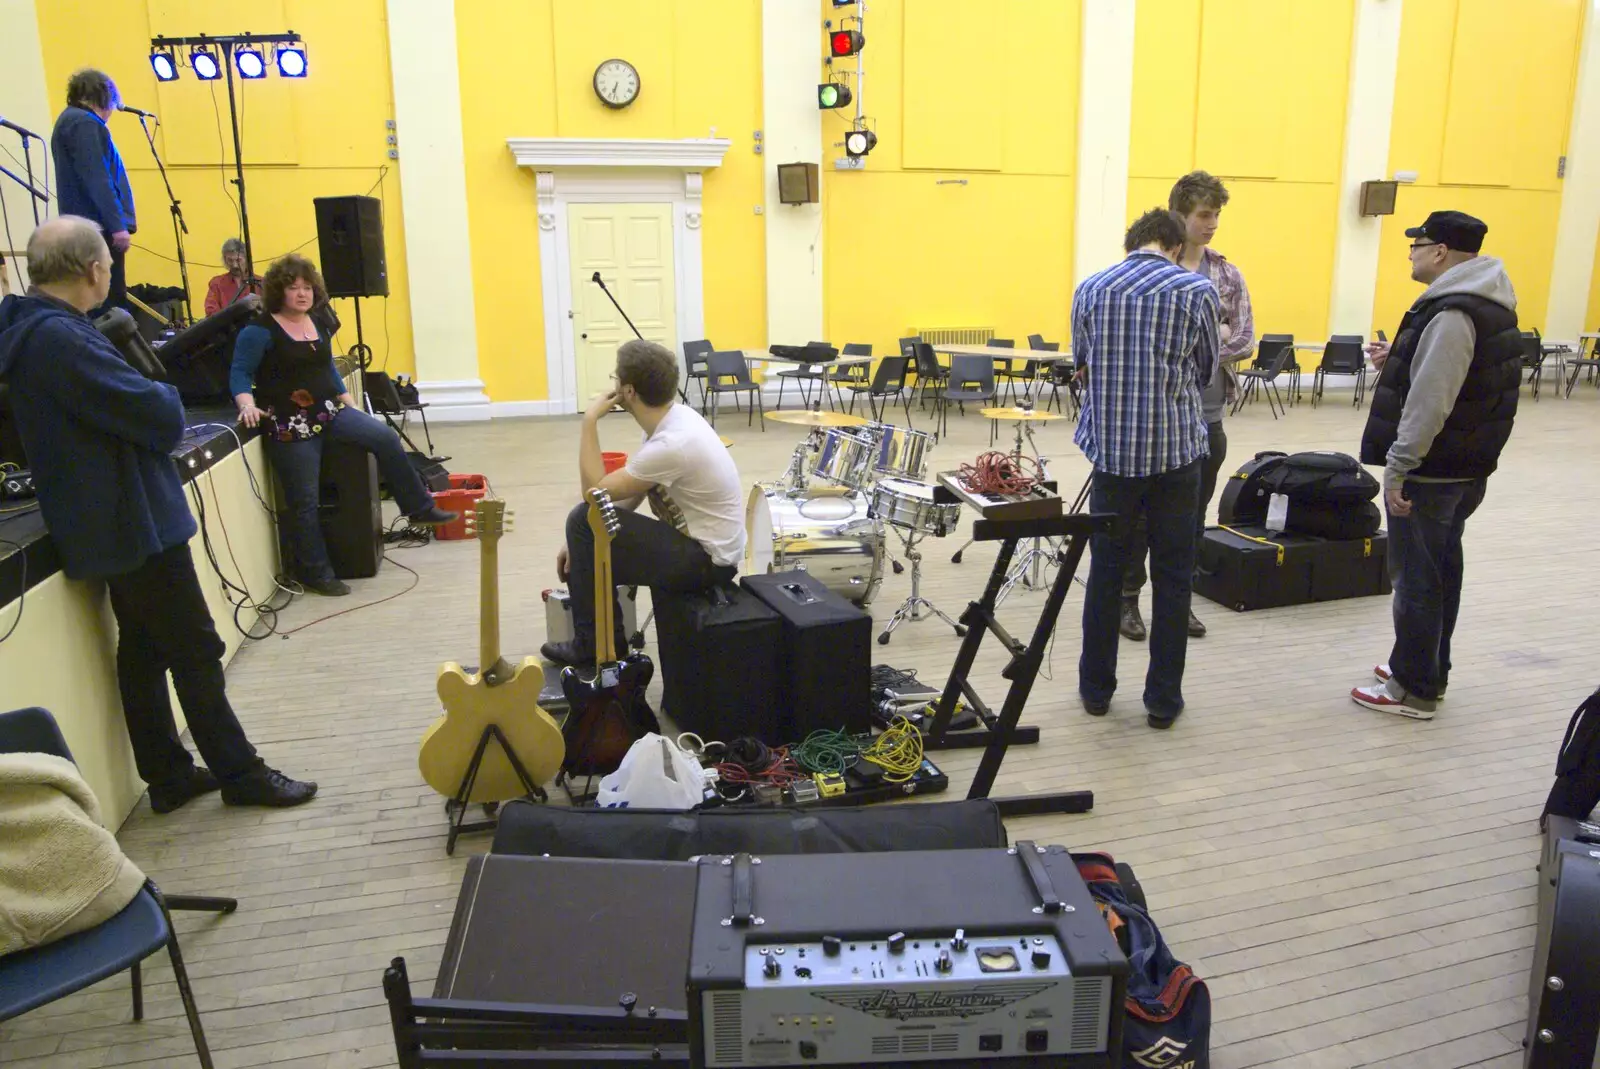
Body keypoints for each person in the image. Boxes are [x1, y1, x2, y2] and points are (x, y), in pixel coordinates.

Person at [0, 217, 316, 811]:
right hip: (129, 519)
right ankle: (241, 775)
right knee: (196, 648)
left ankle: (167, 775)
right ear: (94, 269)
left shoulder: (41, 329)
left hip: (115, 516)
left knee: (144, 649)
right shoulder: (60, 340)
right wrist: (163, 392)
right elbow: (160, 416)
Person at [1351, 211, 1520, 720]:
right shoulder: (1489, 301)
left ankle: (1413, 688)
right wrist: (1398, 357)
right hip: (1465, 469)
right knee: (1443, 572)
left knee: (1416, 581)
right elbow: (1454, 378)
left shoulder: (1451, 313)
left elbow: (1432, 400)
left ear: (1441, 252)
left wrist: (1398, 467)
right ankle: (1427, 665)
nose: (1411, 253)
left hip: (1431, 472)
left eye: (1416, 245)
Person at [231, 254, 456, 596]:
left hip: (329, 412)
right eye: (294, 288)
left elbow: (328, 370)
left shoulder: (317, 322)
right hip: (290, 425)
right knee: (305, 500)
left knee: (383, 436)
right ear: (279, 291)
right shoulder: (259, 331)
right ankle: (316, 573)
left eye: (307, 287)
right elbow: (240, 372)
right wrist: (245, 404)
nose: (302, 294)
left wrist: (350, 405)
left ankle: (419, 508)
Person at [1073, 208, 1219, 729]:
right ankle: (1162, 702)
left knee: (1106, 575)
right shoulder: (1196, 291)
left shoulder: (1090, 288)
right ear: (1175, 245)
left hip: (1113, 459)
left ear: (1132, 241)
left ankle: (1095, 691)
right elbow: (1205, 371)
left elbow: (1081, 361)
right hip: (1176, 457)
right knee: (1174, 578)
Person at [541, 339, 744, 667]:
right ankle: (606, 640)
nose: (614, 385)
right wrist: (584, 543)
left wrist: (590, 420)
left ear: (628, 391)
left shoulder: (673, 442)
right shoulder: (671, 419)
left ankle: (594, 643)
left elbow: (593, 491)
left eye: (616, 379)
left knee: (582, 518)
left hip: (710, 560)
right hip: (705, 549)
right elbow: (632, 491)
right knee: (587, 529)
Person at [1120, 171, 1254, 642]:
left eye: (1217, 215)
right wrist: (1205, 337)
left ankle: (1179, 601)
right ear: (1179, 215)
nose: (1212, 223)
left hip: (1207, 414)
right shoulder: (1151, 269)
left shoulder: (1226, 273)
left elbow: (1242, 337)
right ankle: (1128, 601)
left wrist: (1205, 346)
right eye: (1204, 215)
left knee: (1191, 517)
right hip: (1153, 419)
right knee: (1138, 519)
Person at [49, 70, 134, 317]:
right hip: (98, 229)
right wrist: (117, 226)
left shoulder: (69, 120)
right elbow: (98, 178)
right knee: (108, 303)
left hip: (85, 228)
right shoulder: (84, 123)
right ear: (104, 96)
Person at [204, 238, 260, 316]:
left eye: (238, 260)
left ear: (246, 259)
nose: (235, 265)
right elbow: (211, 311)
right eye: (230, 260)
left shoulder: (260, 283)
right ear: (224, 260)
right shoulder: (217, 283)